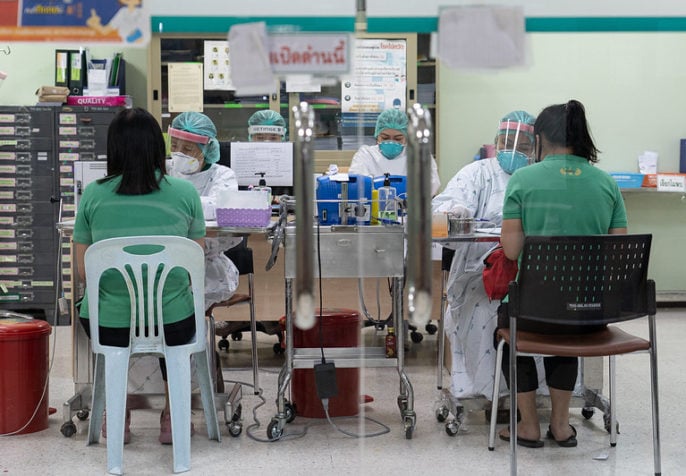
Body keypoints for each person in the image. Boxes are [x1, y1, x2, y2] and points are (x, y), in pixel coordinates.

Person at [498, 99, 628, 448]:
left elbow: (511, 251)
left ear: (539, 139)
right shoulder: (607, 184)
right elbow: (618, 255)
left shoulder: (523, 180)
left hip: (531, 312)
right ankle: (560, 424)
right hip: (589, 314)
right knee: (566, 331)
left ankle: (527, 425)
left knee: (508, 329)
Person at [73, 107, 205, 444]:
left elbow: (81, 270)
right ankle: (172, 419)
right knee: (175, 325)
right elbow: (195, 264)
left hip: (109, 324)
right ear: (158, 149)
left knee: (98, 323)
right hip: (173, 321)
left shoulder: (92, 195)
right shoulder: (185, 193)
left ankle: (115, 415)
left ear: (113, 149)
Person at [431, 110, 537, 402]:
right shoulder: (477, 173)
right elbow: (442, 207)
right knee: (484, 311)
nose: (513, 151)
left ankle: (542, 395)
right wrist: (454, 211)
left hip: (535, 275)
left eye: (523, 146)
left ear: (536, 149)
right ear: (495, 142)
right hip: (481, 273)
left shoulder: (540, 178)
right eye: (505, 142)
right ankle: (489, 391)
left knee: (549, 311)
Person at [167, 111, 240, 309]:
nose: (179, 153)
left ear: (207, 149)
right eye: (174, 146)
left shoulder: (223, 175)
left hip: (208, 266)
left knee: (192, 312)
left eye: (188, 148)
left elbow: (220, 209)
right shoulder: (166, 171)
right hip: (166, 259)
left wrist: (173, 205)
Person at [348, 108, 441, 196]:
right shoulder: (366, 154)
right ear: (377, 136)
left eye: (398, 139)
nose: (391, 142)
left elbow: (431, 185)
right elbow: (356, 185)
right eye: (385, 138)